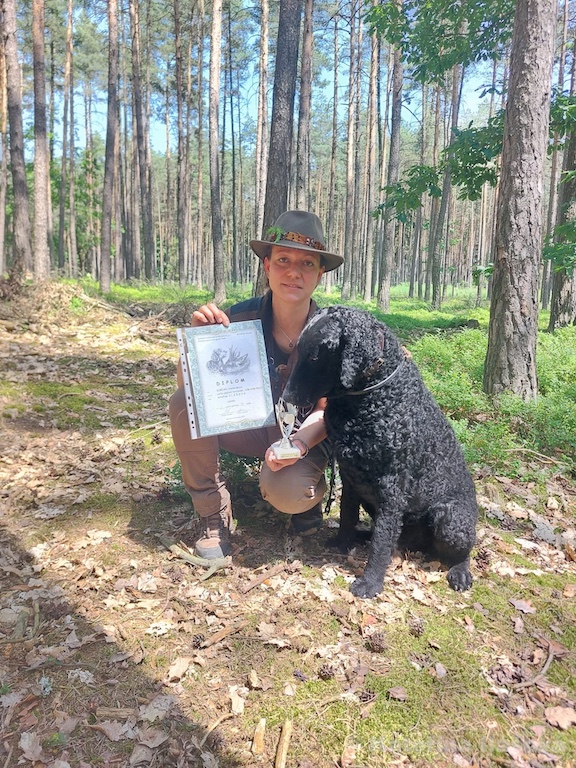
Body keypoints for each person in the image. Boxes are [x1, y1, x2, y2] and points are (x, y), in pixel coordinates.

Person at [168, 210, 344, 560]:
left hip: (304, 436)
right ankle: (213, 515)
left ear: (320, 273)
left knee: (290, 493)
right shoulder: (237, 320)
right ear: (267, 266)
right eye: (282, 259)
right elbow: (192, 392)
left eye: (307, 263)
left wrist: (298, 445)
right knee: (182, 402)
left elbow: (329, 411)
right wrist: (197, 345)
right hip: (248, 426)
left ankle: (305, 502)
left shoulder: (332, 332)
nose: (293, 271)